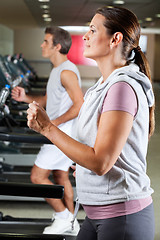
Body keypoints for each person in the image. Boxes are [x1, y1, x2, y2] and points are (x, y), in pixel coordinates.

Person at [27, 6, 155, 240]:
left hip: (121, 215)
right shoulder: (102, 85)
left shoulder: (122, 88)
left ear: (115, 39)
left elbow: (101, 162)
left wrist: (47, 128)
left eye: (93, 30)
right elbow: (100, 151)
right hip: (98, 212)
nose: (85, 36)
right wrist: (83, 166)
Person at [11, 26, 84, 235]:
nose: (42, 45)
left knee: (36, 176)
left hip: (60, 135)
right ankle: (71, 224)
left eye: (46, 42)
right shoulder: (57, 70)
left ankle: (64, 218)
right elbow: (47, 100)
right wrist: (25, 98)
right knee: (61, 177)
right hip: (60, 133)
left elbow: (79, 104)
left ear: (57, 46)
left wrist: (52, 125)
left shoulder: (67, 72)